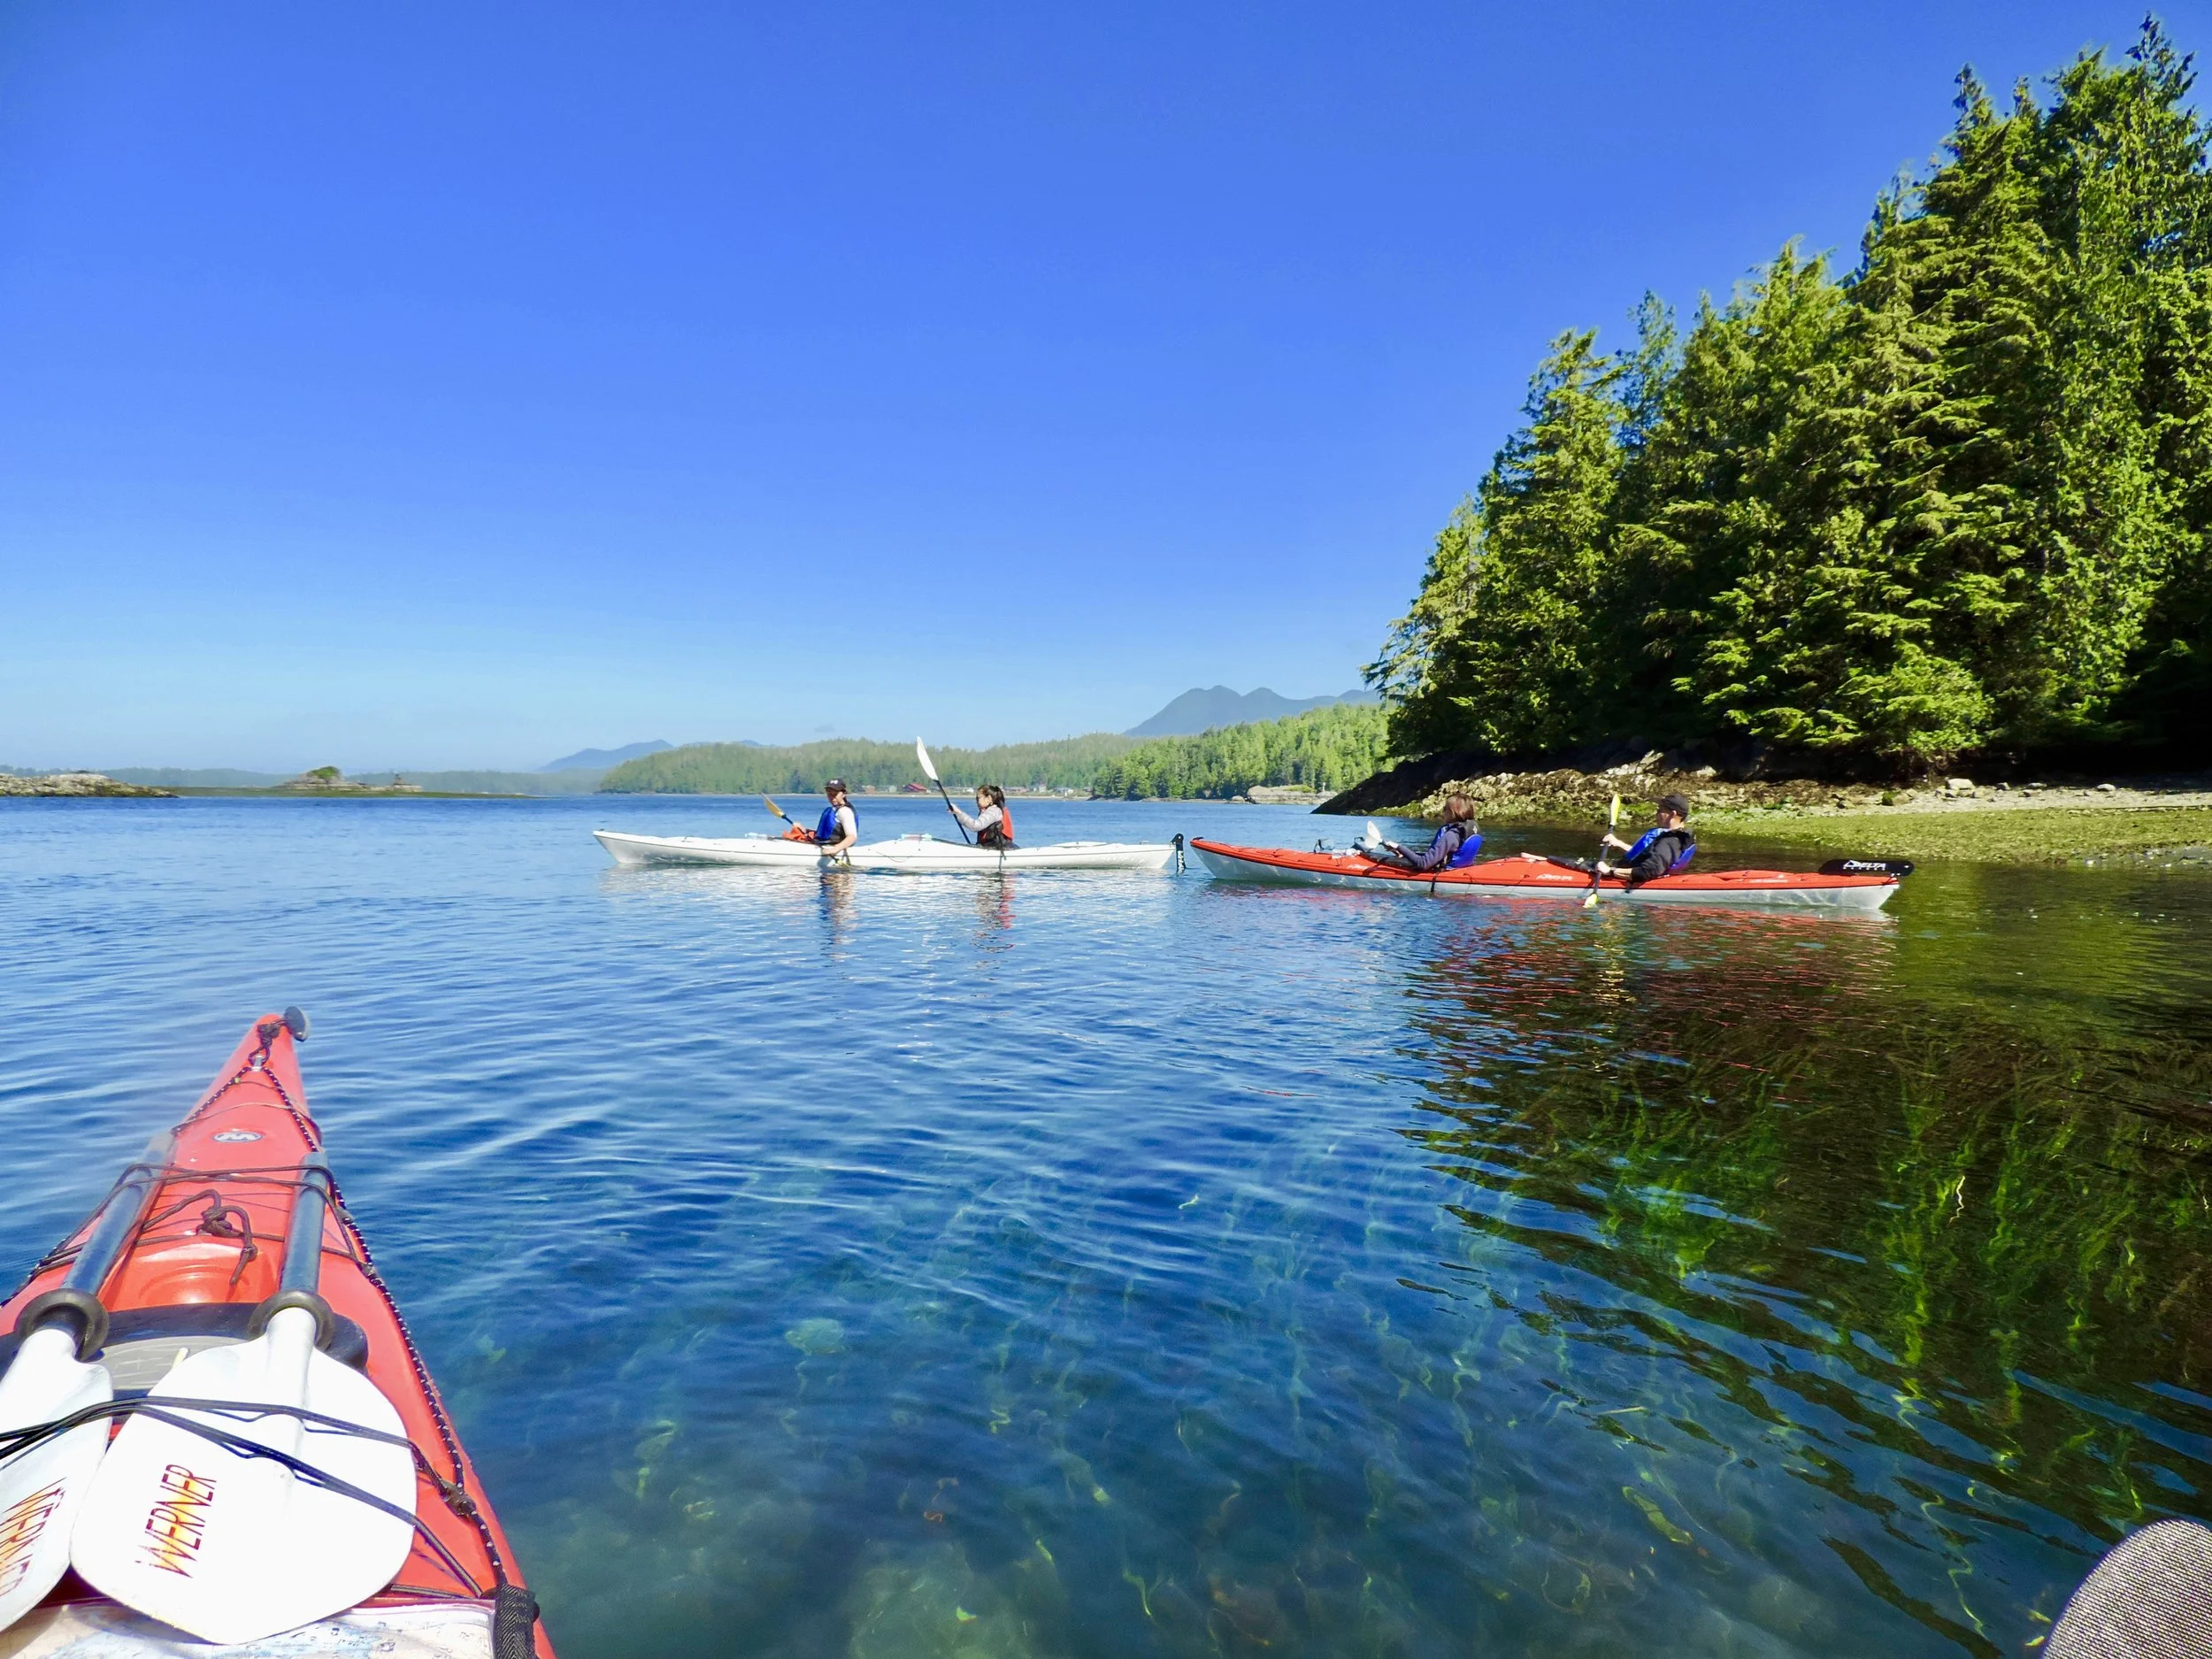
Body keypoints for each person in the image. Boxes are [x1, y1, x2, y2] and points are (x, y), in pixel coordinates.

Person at [1362, 795, 1481, 872]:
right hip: (1460, 870)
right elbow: (1436, 856)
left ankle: (1360, 854)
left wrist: (1398, 846)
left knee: (1383, 859)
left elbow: (1423, 864)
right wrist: (1402, 852)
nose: (1442, 813)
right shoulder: (1470, 829)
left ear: (1454, 812)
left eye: (1445, 809)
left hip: (1444, 872)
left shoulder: (1451, 836)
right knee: (1402, 857)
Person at [1598, 793, 1695, 883]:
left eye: (1660, 811)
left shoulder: (1670, 840)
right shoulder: (1678, 836)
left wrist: (1610, 871)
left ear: (1672, 814)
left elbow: (1648, 871)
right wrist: (1619, 843)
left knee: (1589, 867)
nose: (1656, 814)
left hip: (1631, 880)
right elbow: (1647, 854)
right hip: (1648, 874)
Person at [786, 780, 859, 855]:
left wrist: (835, 849)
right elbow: (826, 833)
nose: (832, 797)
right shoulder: (833, 809)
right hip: (822, 844)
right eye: (829, 794)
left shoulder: (845, 811)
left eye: (835, 794)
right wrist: (804, 830)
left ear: (844, 794)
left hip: (834, 848)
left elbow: (852, 837)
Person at [949, 783, 1016, 849]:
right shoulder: (988, 811)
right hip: (989, 847)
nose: (977, 801)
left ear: (989, 799)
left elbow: (975, 826)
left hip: (996, 848)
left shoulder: (993, 811)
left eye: (979, 798)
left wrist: (958, 812)